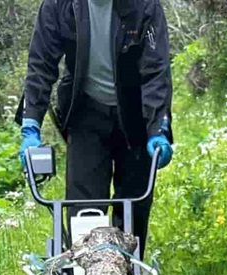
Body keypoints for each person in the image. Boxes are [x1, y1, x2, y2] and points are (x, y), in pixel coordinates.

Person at [16, 0, 174, 258]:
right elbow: (41, 65)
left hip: (136, 117)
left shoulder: (144, 6)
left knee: (134, 209)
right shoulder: (59, 6)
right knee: (84, 213)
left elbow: (156, 71)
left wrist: (159, 128)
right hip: (86, 113)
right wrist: (31, 125)